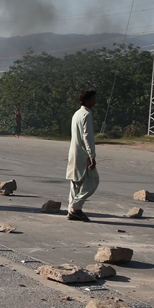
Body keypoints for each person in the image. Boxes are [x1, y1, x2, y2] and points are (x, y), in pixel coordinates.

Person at [66, 90, 98, 222]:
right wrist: (92, 156)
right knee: (93, 181)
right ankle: (76, 207)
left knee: (75, 183)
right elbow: (87, 137)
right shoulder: (86, 114)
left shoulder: (77, 113)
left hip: (74, 152)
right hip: (83, 153)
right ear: (88, 100)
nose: (95, 101)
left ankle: (71, 211)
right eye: (94, 99)